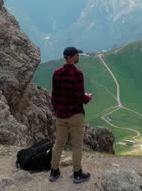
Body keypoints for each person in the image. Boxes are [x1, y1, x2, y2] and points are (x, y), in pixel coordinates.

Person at [49, 46, 92, 184]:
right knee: (77, 144)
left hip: (61, 115)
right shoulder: (77, 74)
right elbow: (80, 97)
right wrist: (88, 98)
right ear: (73, 57)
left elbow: (54, 96)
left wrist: (57, 110)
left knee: (59, 143)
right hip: (75, 114)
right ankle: (77, 173)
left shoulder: (56, 73)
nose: (78, 57)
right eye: (77, 55)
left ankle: (54, 171)